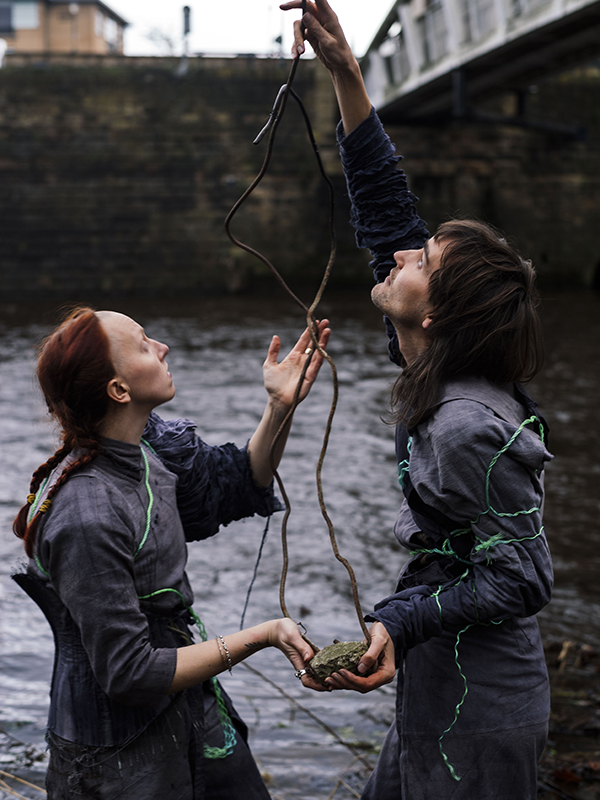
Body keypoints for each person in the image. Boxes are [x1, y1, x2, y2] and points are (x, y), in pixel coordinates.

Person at [281, 2, 553, 798]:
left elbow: (525, 580)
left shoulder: (469, 423)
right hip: (439, 685)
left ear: (429, 315)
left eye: (421, 259)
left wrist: (398, 619)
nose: (402, 249)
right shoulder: (435, 360)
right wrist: (346, 72)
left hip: (484, 709)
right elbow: (387, 217)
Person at [12, 306, 329, 800]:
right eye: (143, 344)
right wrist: (264, 635)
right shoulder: (86, 512)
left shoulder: (145, 456)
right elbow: (130, 673)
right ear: (119, 390)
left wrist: (280, 405)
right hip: (114, 754)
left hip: (188, 709)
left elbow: (238, 485)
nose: (162, 347)